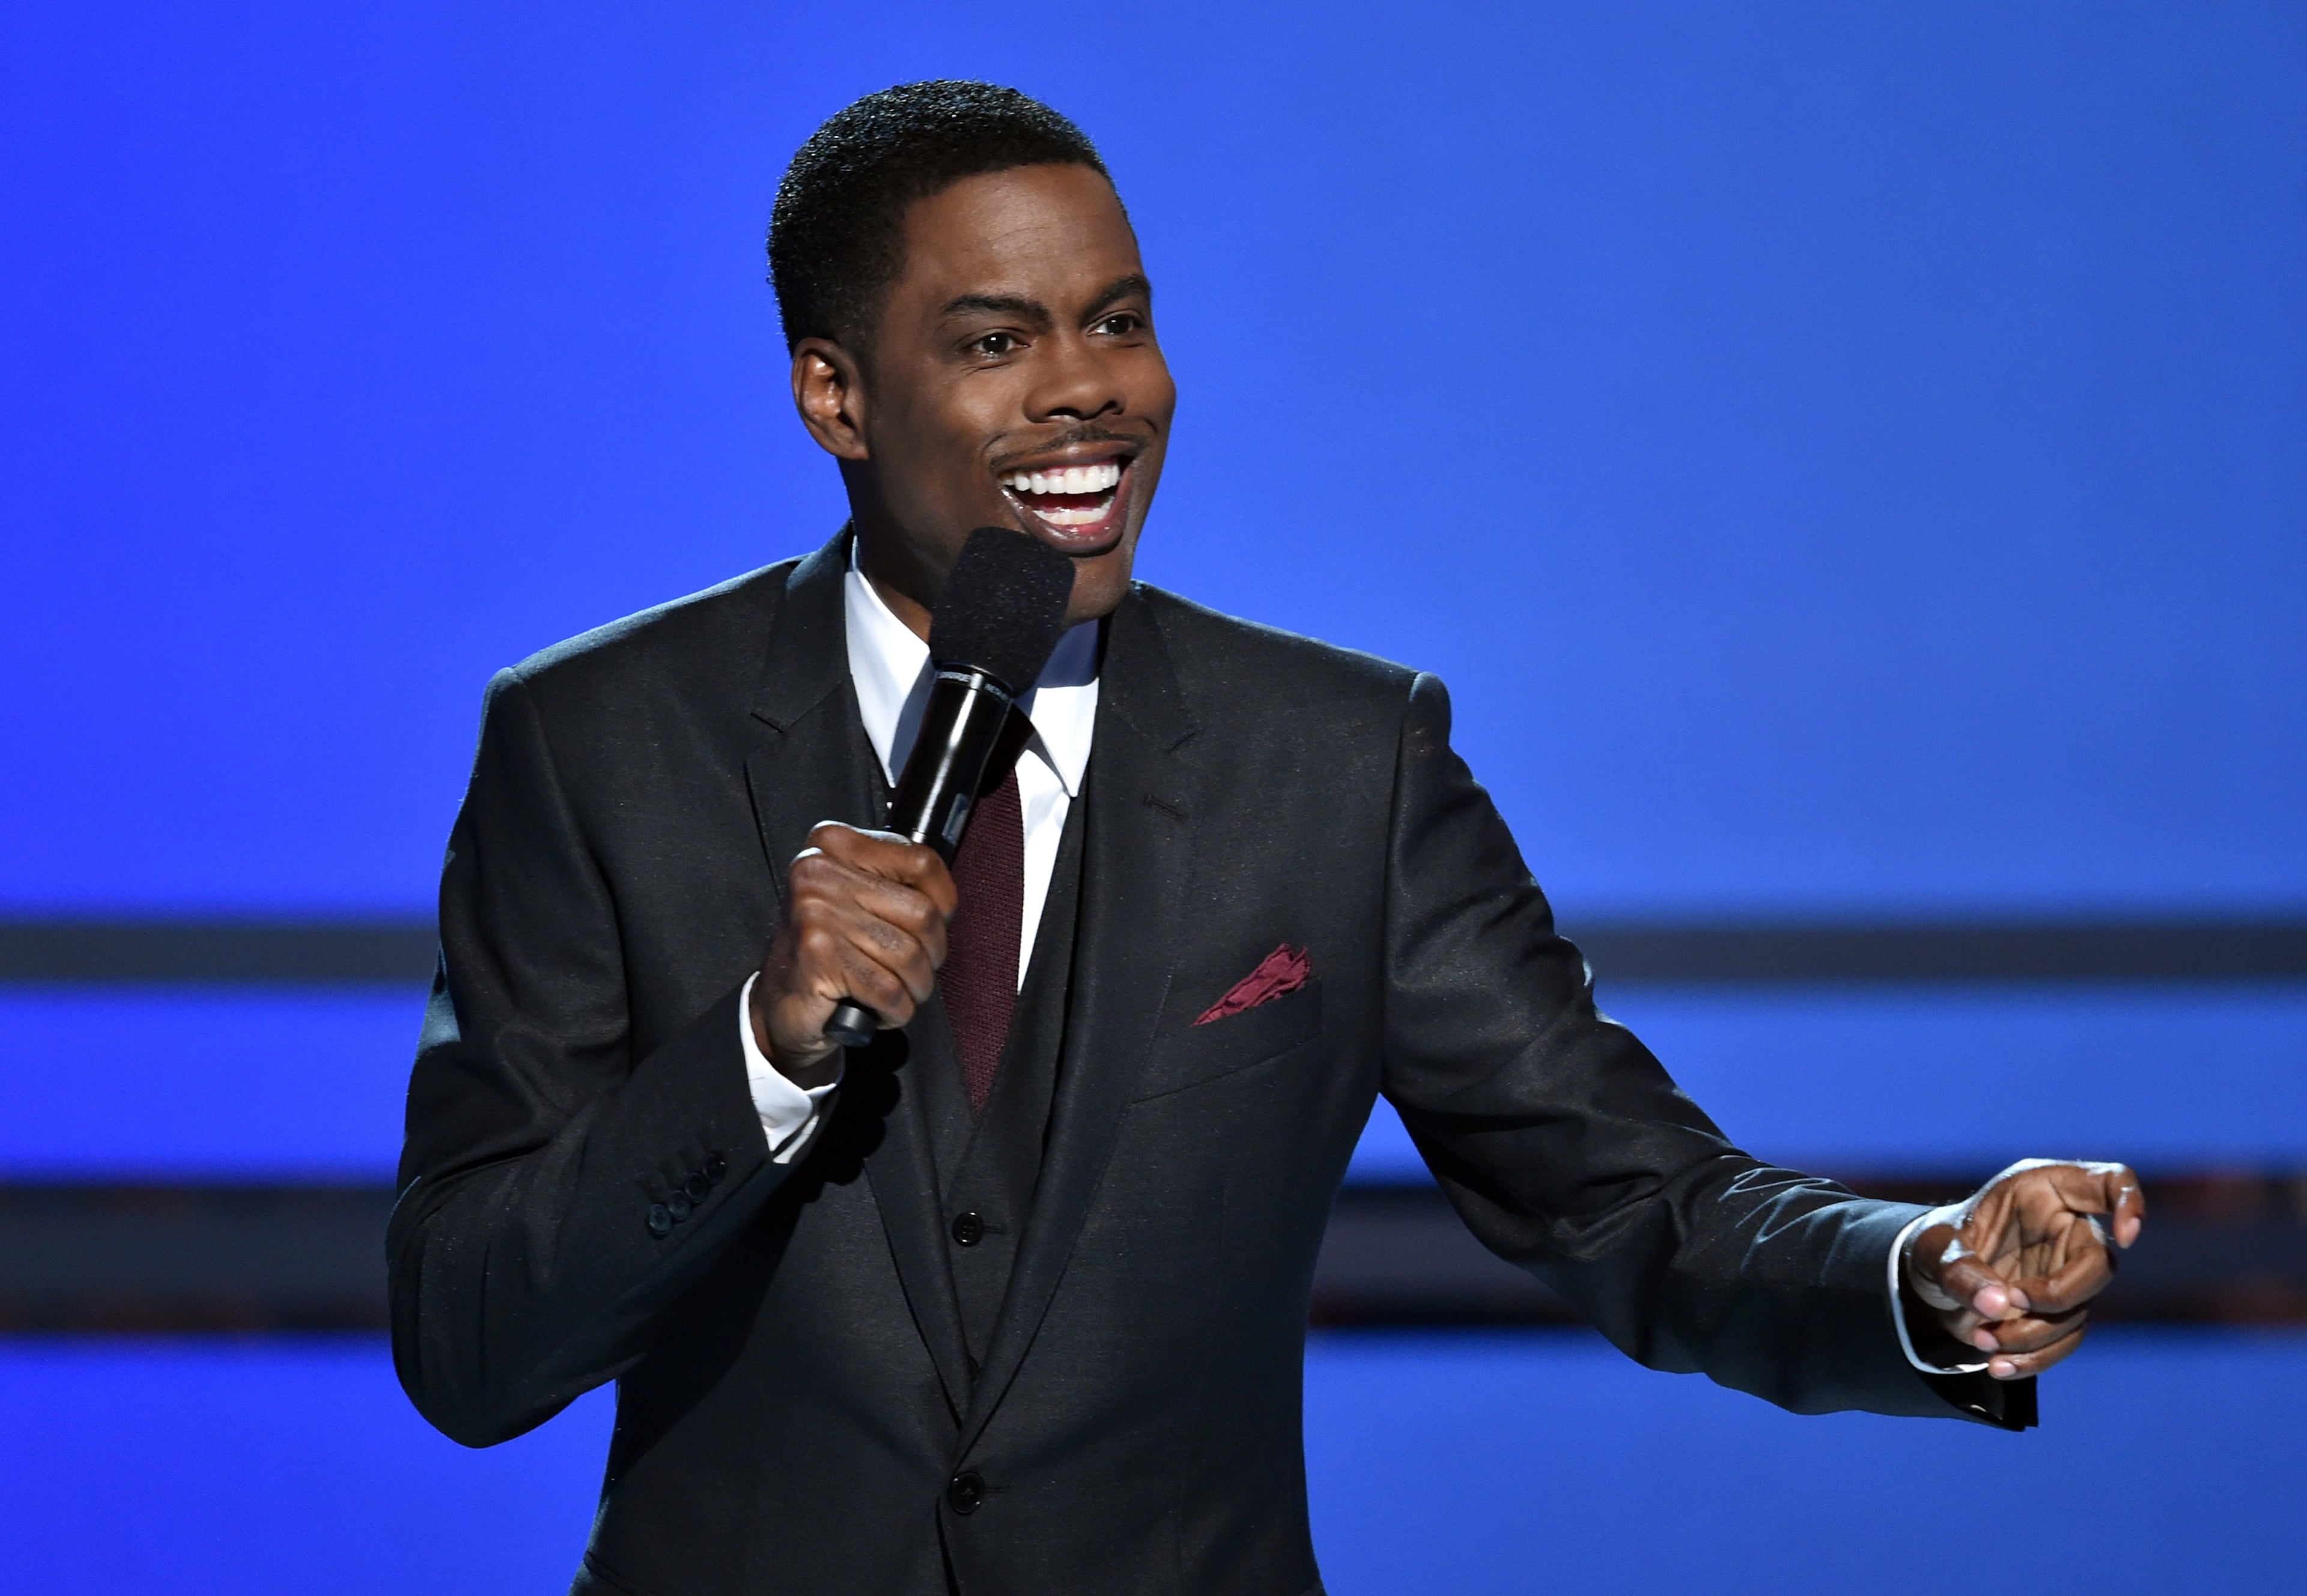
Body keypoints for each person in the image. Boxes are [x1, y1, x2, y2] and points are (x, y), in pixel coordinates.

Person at [389, 80, 2145, 1596]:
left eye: (1120, 320)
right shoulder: (596, 742)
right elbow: (471, 1341)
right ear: (835, 397)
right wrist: (760, 1058)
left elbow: (1644, 1202)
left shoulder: (1338, 761)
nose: (1090, 393)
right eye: (998, 341)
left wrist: (1922, 1271)